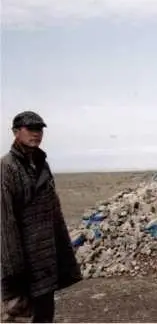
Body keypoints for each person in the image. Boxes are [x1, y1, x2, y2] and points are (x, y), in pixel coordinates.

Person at [1, 111, 82, 322]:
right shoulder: (7, 167)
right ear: (16, 132)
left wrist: (62, 253)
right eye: (31, 129)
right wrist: (13, 271)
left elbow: (54, 211)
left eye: (39, 129)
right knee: (21, 312)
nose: (36, 134)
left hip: (46, 255)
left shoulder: (41, 164)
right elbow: (6, 221)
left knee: (45, 313)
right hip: (23, 257)